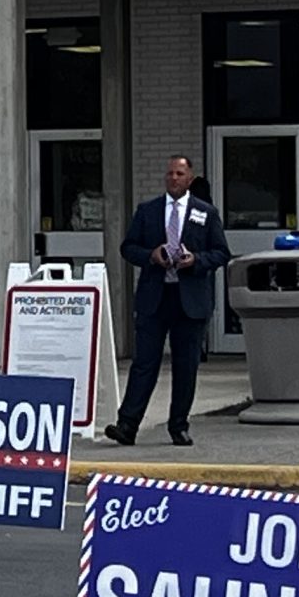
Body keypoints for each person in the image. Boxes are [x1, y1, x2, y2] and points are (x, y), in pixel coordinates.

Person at [104, 154, 230, 449]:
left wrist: (195, 260)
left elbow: (222, 253)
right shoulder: (148, 211)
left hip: (189, 300)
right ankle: (127, 425)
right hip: (155, 298)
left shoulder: (205, 213)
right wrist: (151, 255)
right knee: (144, 363)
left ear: (190, 178)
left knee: (185, 366)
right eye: (170, 173)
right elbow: (128, 247)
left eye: (180, 174)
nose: (174, 178)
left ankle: (178, 426)